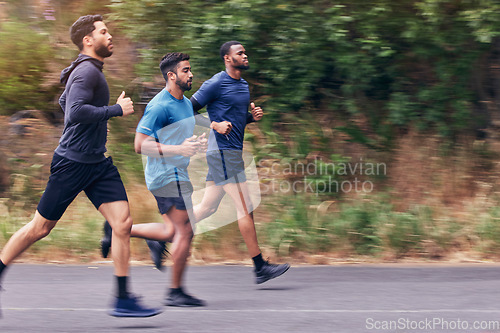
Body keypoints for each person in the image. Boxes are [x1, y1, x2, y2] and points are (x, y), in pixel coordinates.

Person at [0, 15, 161, 318]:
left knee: (122, 224)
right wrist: (115, 110)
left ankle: (124, 299)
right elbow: (74, 112)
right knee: (40, 228)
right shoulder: (87, 72)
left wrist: (95, 126)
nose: (109, 35)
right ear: (89, 40)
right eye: (103, 32)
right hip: (72, 163)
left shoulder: (85, 70)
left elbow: (65, 101)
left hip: (97, 164)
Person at [149, 41, 290, 284]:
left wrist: (250, 118)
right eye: (240, 53)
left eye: (245, 52)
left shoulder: (243, 85)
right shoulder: (215, 83)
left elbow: (232, 120)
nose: (245, 56)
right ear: (227, 58)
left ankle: (162, 238)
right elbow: (188, 110)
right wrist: (213, 125)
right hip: (221, 153)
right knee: (245, 207)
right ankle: (259, 267)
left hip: (231, 152)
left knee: (208, 208)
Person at [101, 52, 206, 307]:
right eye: (185, 70)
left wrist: (195, 144)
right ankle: (175, 291)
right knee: (186, 231)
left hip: (177, 172)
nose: (190, 74)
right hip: (164, 175)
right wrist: (179, 150)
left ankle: (117, 228)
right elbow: (140, 144)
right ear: (171, 76)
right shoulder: (159, 106)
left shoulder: (184, 102)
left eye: (190, 70)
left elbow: (177, 138)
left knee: (171, 231)